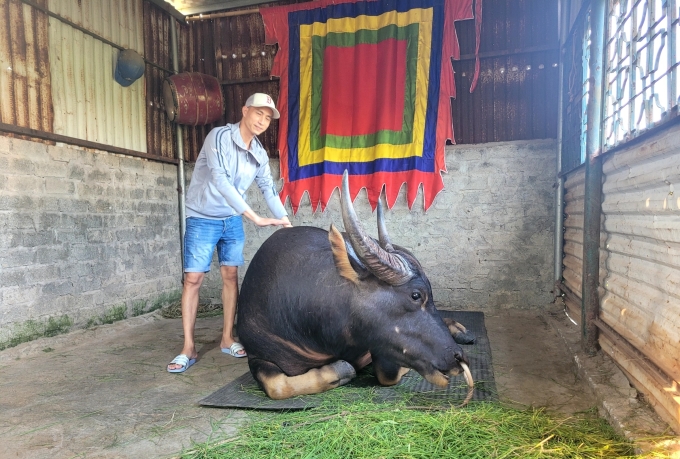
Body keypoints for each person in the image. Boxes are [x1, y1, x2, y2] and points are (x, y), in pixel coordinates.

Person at [168, 93, 292, 373]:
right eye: (258, 113)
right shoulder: (219, 137)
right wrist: (254, 217)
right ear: (245, 110)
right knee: (193, 279)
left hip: (231, 220)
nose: (262, 120)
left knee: (231, 275)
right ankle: (188, 347)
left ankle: (227, 338)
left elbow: (269, 190)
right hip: (203, 217)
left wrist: (287, 223)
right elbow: (222, 182)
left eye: (267, 117)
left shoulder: (258, 153)